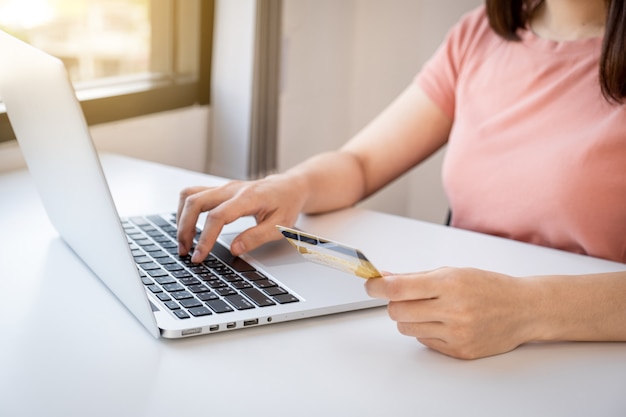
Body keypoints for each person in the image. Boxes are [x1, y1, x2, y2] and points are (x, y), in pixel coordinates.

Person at [176, 0, 626, 359]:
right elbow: (362, 163)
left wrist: (527, 309)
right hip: (450, 342)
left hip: (583, 354)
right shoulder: (479, 35)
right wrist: (291, 185)